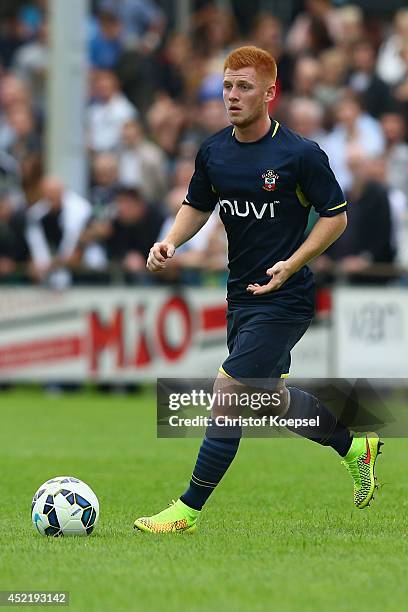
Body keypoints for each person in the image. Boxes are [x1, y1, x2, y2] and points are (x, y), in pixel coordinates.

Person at [134, 46, 383, 534]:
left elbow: (336, 218)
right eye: (227, 86)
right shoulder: (214, 152)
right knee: (269, 401)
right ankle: (356, 445)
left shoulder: (299, 155)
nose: (232, 96)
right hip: (240, 297)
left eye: (244, 87)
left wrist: (291, 265)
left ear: (271, 93)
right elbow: (197, 205)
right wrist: (170, 242)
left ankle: (187, 510)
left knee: (228, 391)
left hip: (285, 298)